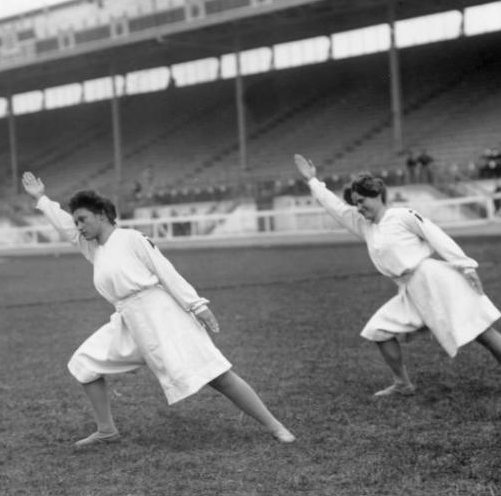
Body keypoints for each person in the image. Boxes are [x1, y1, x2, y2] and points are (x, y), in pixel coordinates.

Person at [20, 171, 295, 446]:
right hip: (129, 322)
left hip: (162, 316)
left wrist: (197, 305)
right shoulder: (93, 248)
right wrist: (42, 199)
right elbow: (65, 228)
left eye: (83, 219)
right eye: (76, 221)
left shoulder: (131, 238)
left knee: (217, 375)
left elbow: (165, 272)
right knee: (84, 363)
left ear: (102, 214)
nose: (78, 226)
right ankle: (106, 430)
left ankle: (276, 426)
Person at [292, 154, 501, 399]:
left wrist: (466, 266)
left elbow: (436, 236)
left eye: (362, 200)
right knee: (379, 330)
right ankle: (402, 384)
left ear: (377, 195)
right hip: (409, 290)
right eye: (355, 203)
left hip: (435, 280)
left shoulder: (402, 215)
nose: (359, 207)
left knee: (483, 333)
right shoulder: (365, 226)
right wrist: (313, 181)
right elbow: (337, 209)